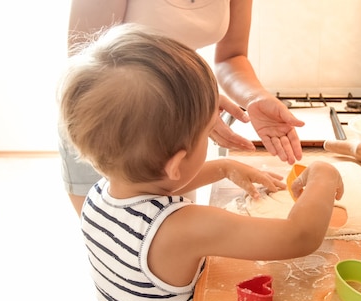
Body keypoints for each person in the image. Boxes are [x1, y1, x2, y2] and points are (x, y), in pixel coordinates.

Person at [58, 24, 343, 301]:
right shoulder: (182, 228)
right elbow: (300, 236)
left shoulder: (99, 196)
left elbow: (156, 188)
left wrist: (224, 167)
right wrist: (323, 173)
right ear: (177, 162)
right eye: (208, 131)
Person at [62, 0, 305, 215]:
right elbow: (89, 69)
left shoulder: (178, 160)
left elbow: (231, 57)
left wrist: (252, 97)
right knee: (117, 234)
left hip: (176, 122)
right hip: (111, 122)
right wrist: (190, 99)